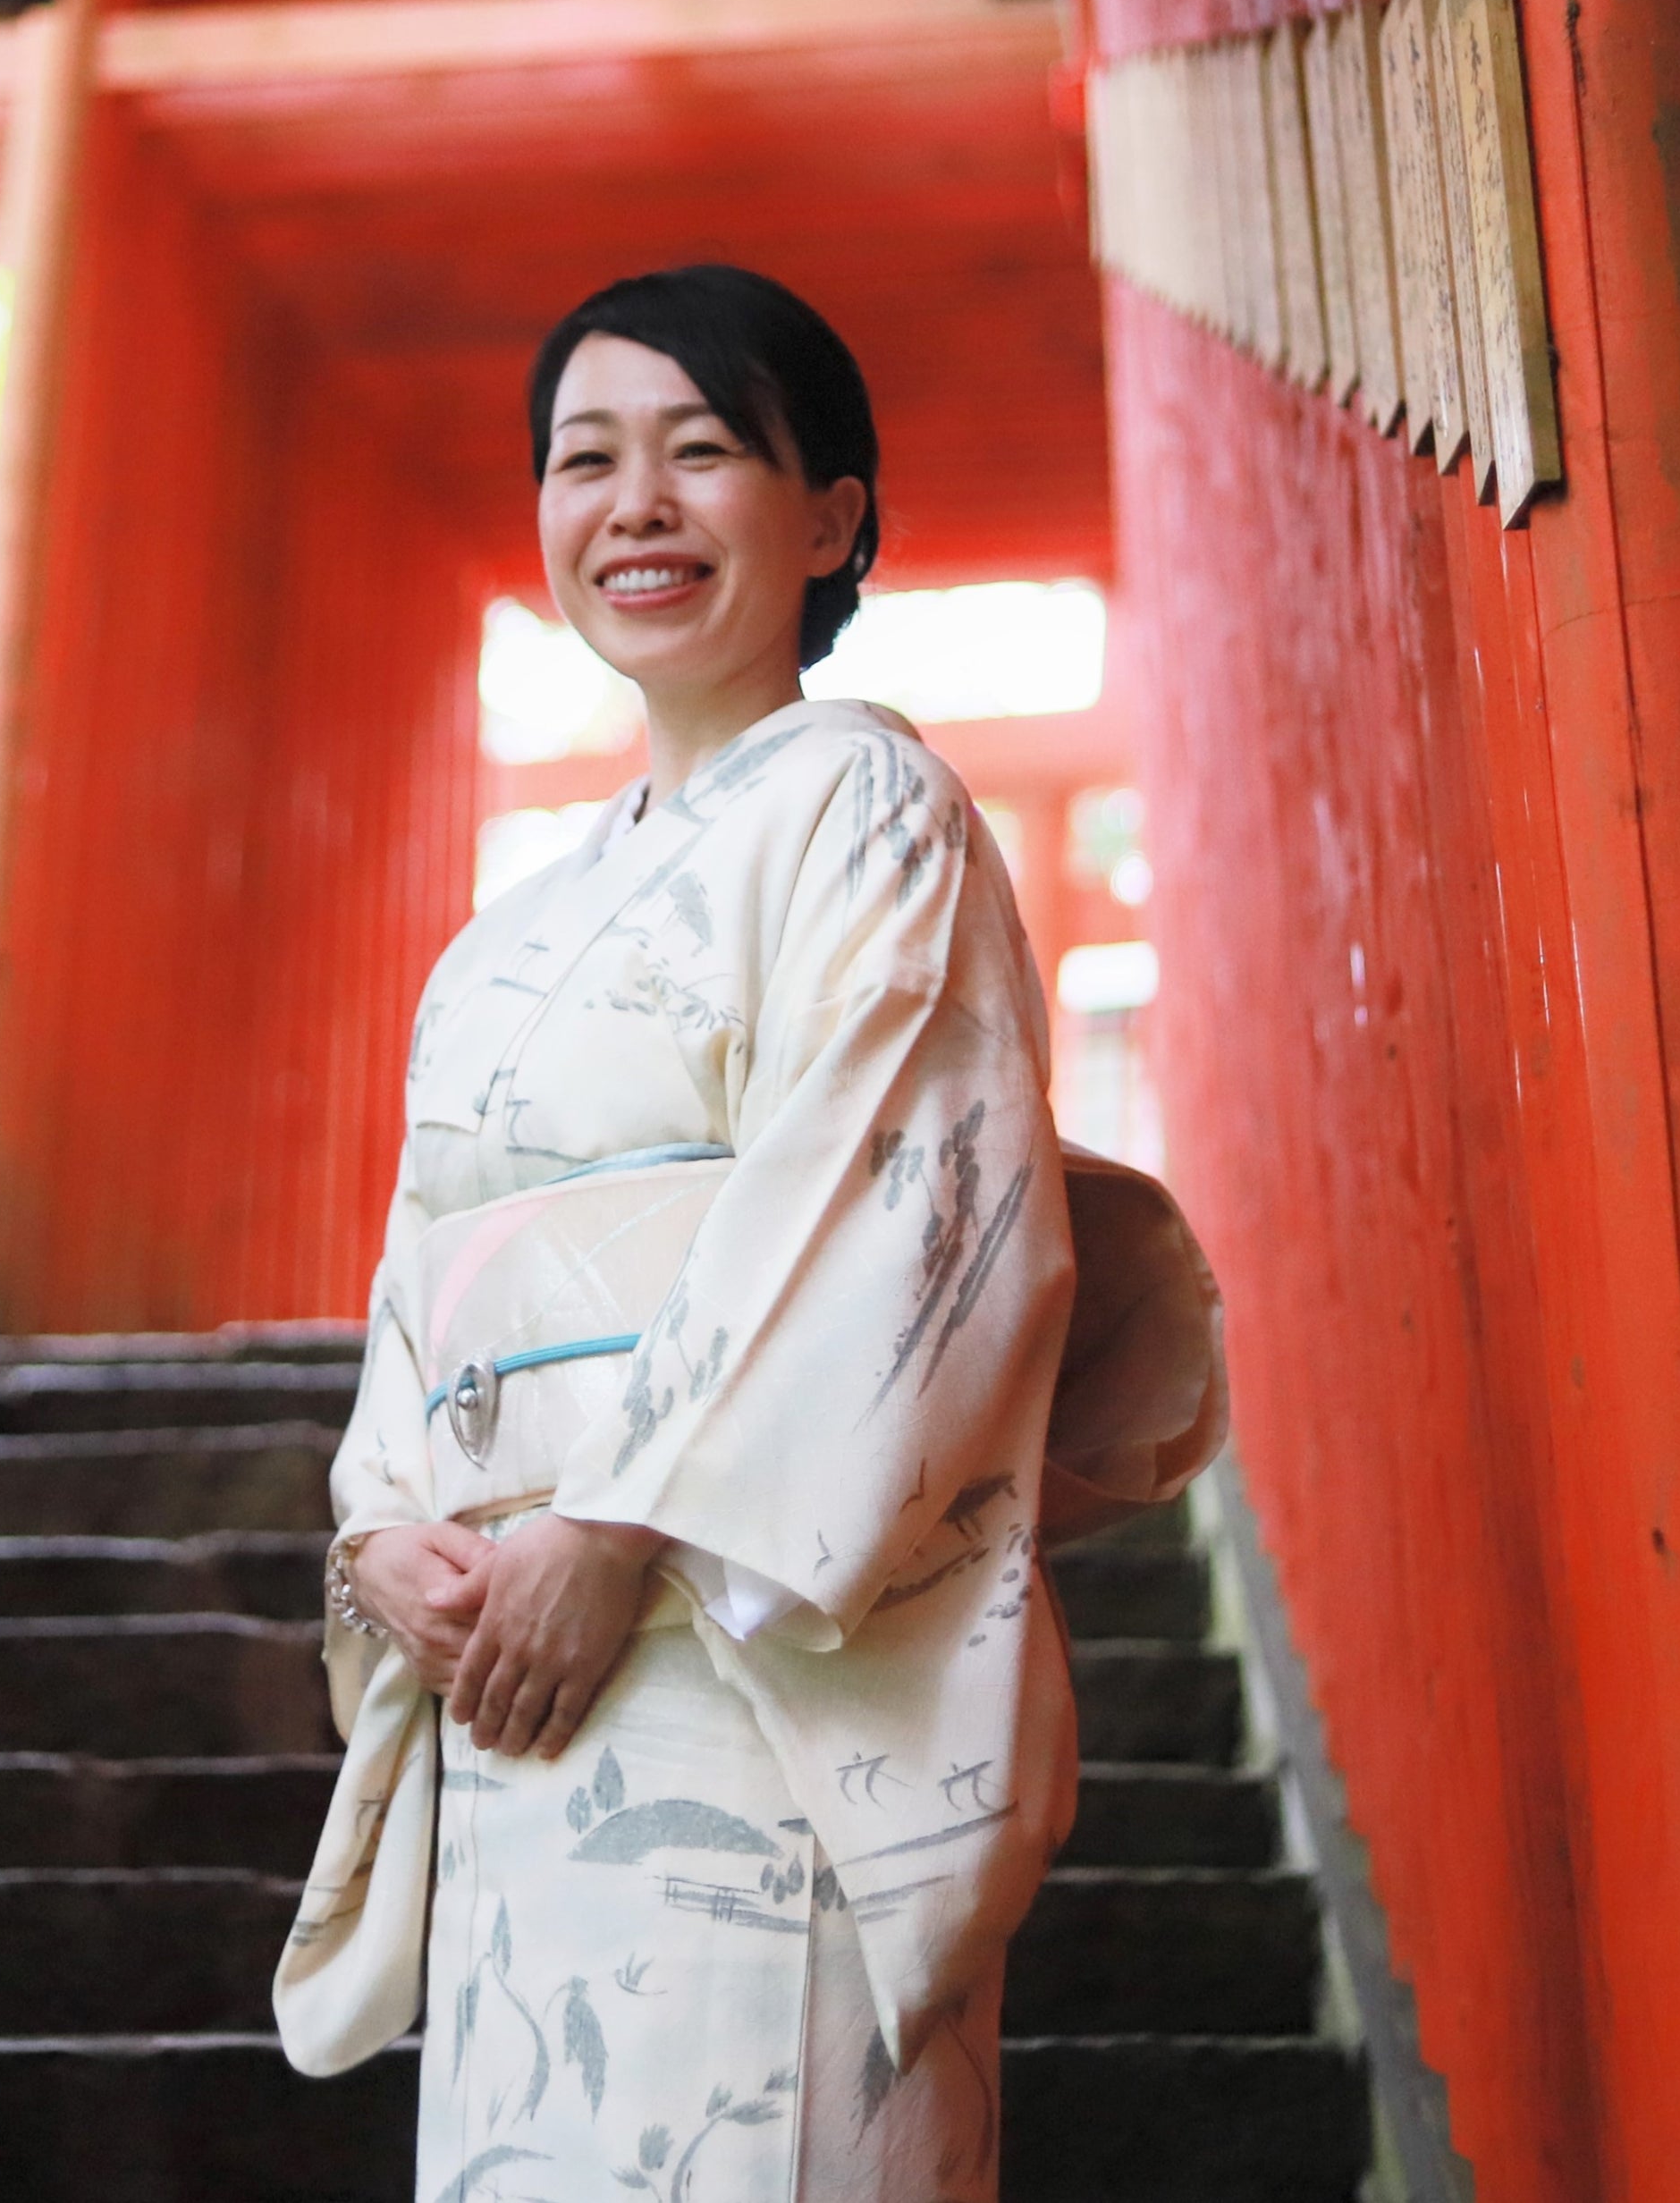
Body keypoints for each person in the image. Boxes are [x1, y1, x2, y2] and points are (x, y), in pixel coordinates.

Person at [275, 265, 1225, 2203]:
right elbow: (417, 1295)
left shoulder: (867, 807)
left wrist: (621, 1523)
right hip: (521, 1680)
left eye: (701, 451)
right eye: (585, 460)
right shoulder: (497, 944)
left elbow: (895, 1210)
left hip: (753, 1640)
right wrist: (388, 1539)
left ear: (830, 519)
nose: (633, 504)